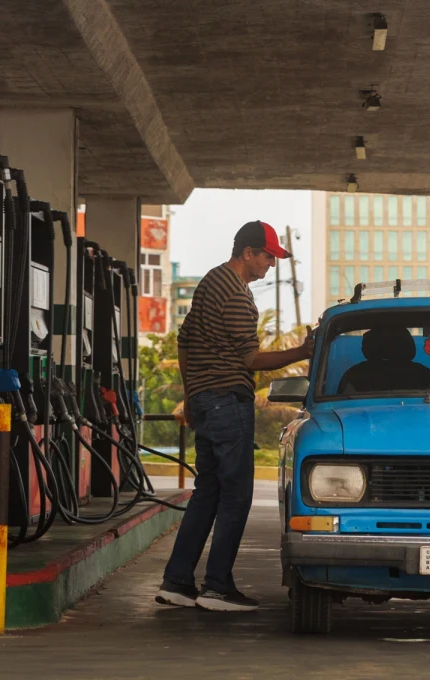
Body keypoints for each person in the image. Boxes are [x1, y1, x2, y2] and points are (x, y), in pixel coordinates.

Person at [156, 221, 313, 612]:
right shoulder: (239, 299)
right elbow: (251, 360)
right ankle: (217, 587)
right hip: (229, 402)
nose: (271, 265)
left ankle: (177, 581)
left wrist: (192, 394)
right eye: (268, 257)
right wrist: (303, 351)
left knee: (207, 492)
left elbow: (184, 341)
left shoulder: (210, 283)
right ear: (248, 253)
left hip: (207, 402)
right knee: (236, 495)